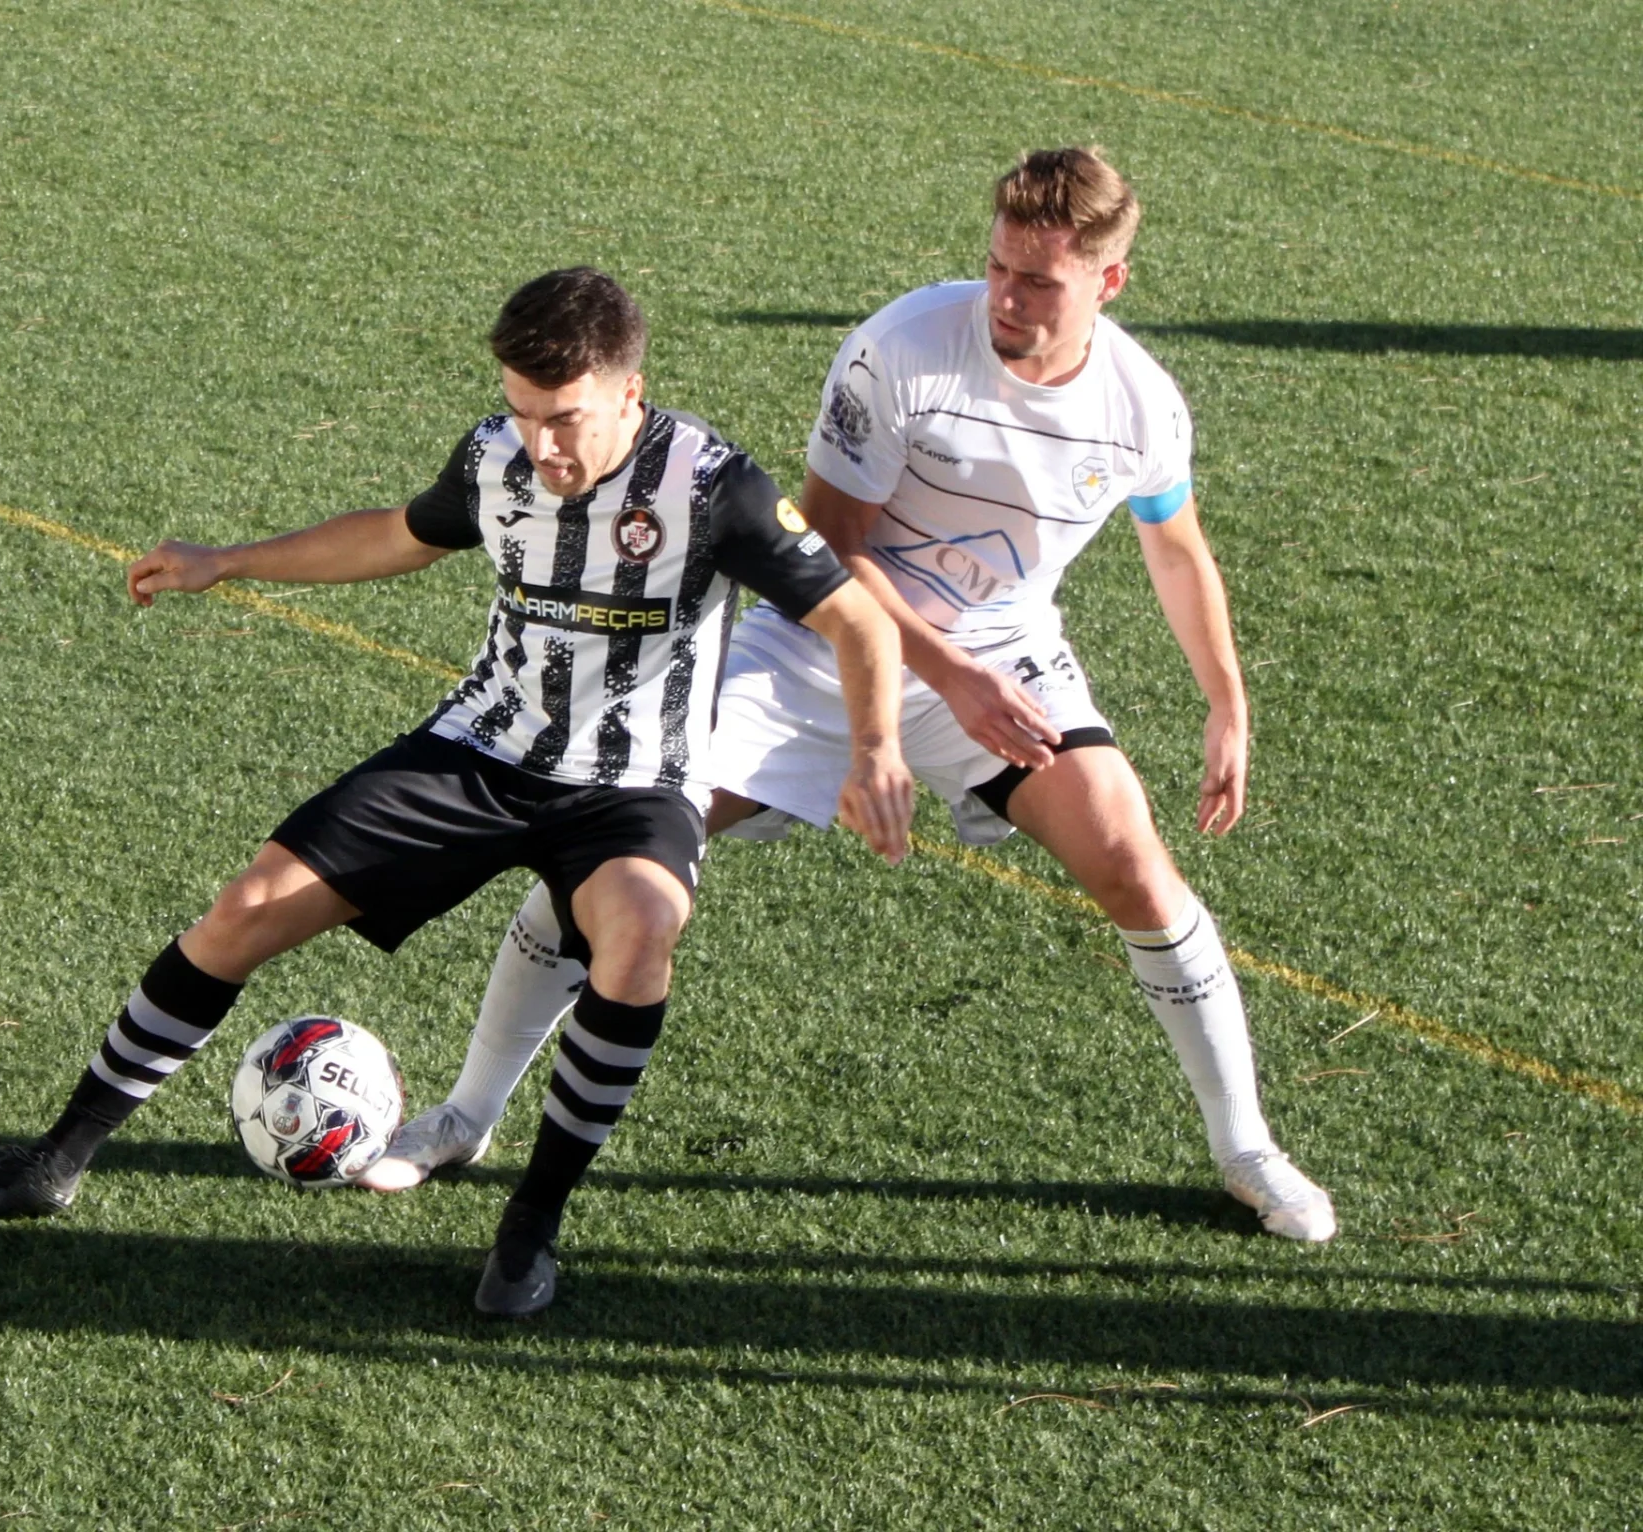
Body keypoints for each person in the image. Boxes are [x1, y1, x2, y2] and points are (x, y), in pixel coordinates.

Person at [365, 150, 1336, 1243]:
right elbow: (829, 549)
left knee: (1134, 864)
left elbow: (1177, 548)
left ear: (1108, 283)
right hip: (813, 650)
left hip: (1004, 658)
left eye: (1041, 282)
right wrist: (951, 678)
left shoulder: (1140, 405)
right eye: (999, 267)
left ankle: (1247, 1144)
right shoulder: (904, 347)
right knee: (611, 850)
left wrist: (1226, 698)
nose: (1008, 299)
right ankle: (467, 1109)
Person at [0, 267, 915, 1315]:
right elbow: (398, 534)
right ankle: (55, 1160)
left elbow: (859, 621)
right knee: (243, 909)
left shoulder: (718, 486)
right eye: (524, 413)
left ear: (631, 391)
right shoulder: (496, 458)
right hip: (480, 750)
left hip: (631, 785)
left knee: (637, 935)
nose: (543, 444)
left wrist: (878, 750)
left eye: (565, 417)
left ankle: (529, 1226)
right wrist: (231, 561)